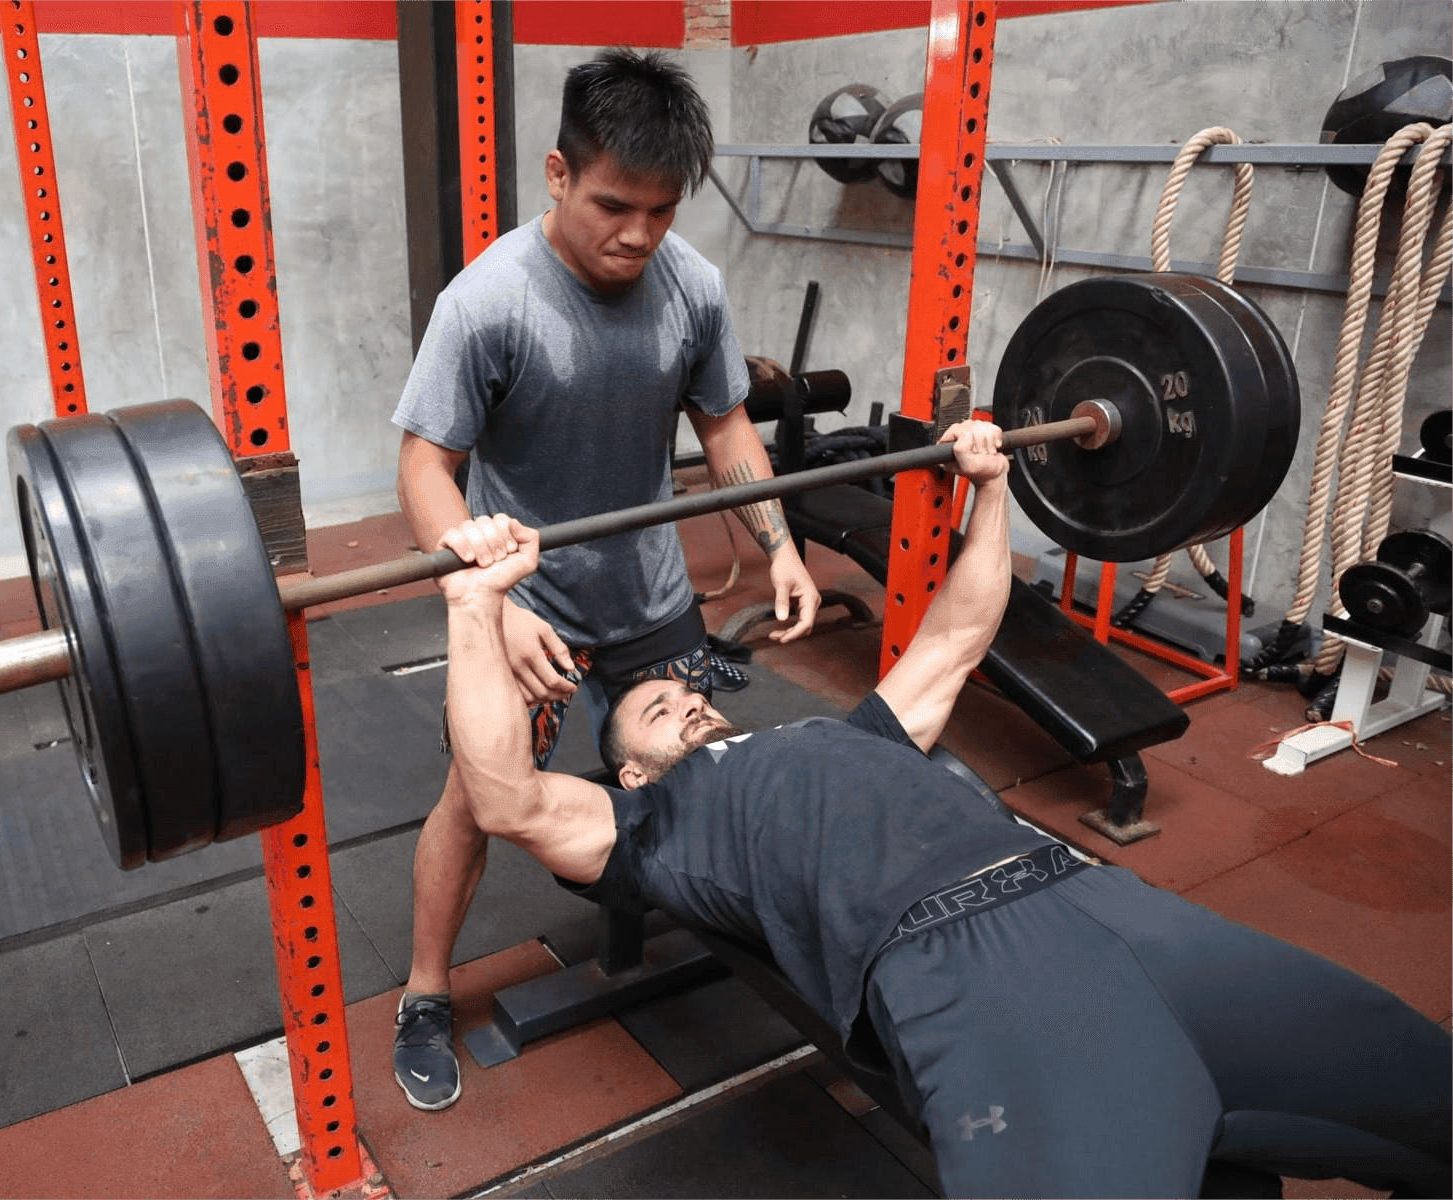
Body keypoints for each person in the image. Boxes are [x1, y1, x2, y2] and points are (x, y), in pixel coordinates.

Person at [434, 420, 1451, 1199]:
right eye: (655, 708)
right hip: (962, 971)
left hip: (1115, 912)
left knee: (1419, 1086)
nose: (687, 696)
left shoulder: (849, 734)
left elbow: (959, 633)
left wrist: (994, 486)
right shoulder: (653, 823)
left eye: (689, 687)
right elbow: (503, 795)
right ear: (632, 773)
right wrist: (476, 606)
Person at [390, 47, 820, 1110]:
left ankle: (718, 933)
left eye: (661, 211)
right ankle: (426, 991)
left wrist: (779, 545)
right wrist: (488, 603)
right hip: (528, 607)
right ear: (555, 173)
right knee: (477, 800)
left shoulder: (693, 287)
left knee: (687, 774)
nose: (636, 234)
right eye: (612, 205)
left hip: (649, 598)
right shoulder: (486, 303)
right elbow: (424, 468)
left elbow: (723, 426)